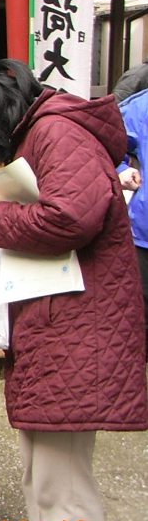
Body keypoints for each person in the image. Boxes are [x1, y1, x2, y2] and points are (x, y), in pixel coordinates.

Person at [0, 59, 148, 521]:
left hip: (77, 331)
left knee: (64, 485)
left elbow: (69, 219)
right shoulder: (48, 131)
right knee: (44, 476)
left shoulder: (56, 131)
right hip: (60, 328)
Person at [116, 88, 148, 351]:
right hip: (144, 237)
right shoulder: (141, 106)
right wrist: (121, 170)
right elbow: (103, 141)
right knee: (138, 327)